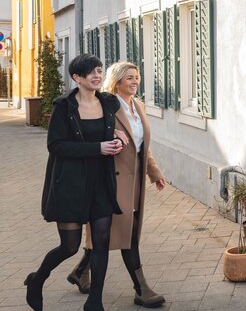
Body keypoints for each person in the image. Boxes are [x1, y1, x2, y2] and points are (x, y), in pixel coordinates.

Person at [65, 61, 167, 307]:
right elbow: (91, 136)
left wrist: (154, 173)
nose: (135, 82)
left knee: (113, 232)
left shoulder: (138, 106)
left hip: (133, 182)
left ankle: (80, 271)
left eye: (137, 77)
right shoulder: (105, 105)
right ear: (118, 81)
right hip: (108, 180)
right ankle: (141, 288)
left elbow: (142, 146)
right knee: (123, 234)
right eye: (129, 78)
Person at [27, 54, 124, 311]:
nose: (97, 76)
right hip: (70, 185)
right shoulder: (64, 107)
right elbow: (56, 145)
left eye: (99, 70)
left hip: (101, 183)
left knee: (101, 242)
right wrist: (98, 148)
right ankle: (37, 280)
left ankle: (95, 302)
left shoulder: (109, 103)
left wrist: (118, 140)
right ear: (76, 78)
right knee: (69, 247)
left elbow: (112, 132)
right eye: (90, 72)